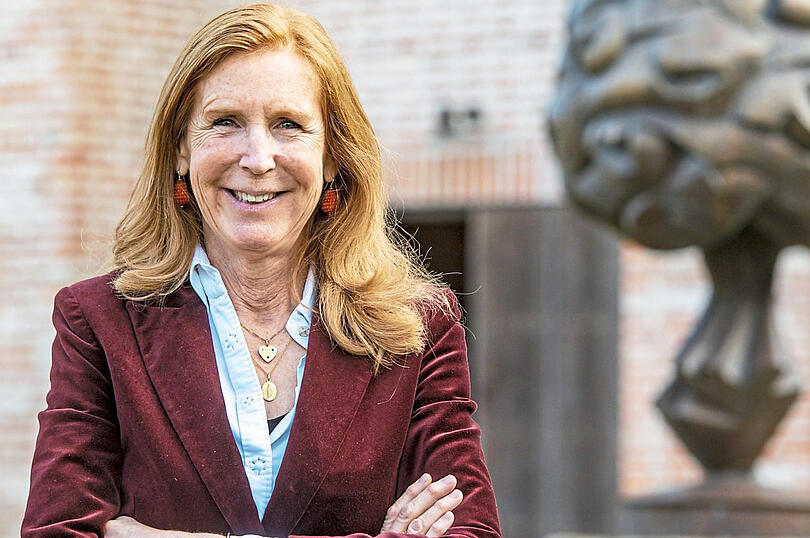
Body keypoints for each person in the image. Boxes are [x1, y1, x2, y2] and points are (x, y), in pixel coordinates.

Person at [21, 3, 500, 537]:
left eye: (287, 125)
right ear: (181, 148)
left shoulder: (420, 328)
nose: (257, 158)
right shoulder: (98, 323)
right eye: (225, 122)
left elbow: (471, 531)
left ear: (333, 156)